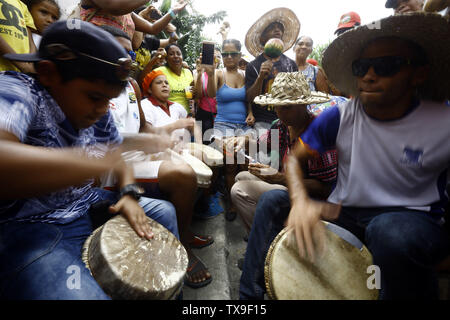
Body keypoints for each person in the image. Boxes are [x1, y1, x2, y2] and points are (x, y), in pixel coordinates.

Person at [242, 13, 450, 300]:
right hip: (347, 214)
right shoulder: (340, 116)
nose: (369, 75)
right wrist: (301, 200)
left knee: (389, 232)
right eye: (362, 67)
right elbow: (295, 160)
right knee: (272, 200)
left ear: (419, 73)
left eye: (386, 65)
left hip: (411, 222)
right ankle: (249, 299)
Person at [0, 20, 179, 299]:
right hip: (29, 229)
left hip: (85, 205)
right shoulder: (17, 90)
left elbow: (117, 153)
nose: (101, 109)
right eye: (95, 97)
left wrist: (129, 193)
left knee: (164, 212)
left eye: (107, 99)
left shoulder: (98, 107)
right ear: (48, 73)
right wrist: (102, 161)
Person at [100, 26, 213, 289]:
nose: (126, 59)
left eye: (129, 52)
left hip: (135, 157)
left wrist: (159, 143)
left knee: (188, 161)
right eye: (118, 52)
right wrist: (153, 141)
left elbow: (141, 128)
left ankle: (184, 231)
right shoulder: (96, 87)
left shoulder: (130, 86)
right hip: (112, 167)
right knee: (183, 174)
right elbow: (106, 141)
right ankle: (183, 244)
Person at [230, 72, 337, 236]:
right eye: (277, 106)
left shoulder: (317, 131)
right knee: (241, 176)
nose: (280, 112)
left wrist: (280, 178)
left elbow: (325, 189)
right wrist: (244, 140)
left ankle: (268, 240)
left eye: (286, 107)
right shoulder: (282, 126)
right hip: (287, 185)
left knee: (239, 190)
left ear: (304, 105)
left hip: (308, 198)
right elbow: (261, 144)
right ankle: (264, 236)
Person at [201, 39, 254, 221]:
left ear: (240, 55)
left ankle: (245, 199)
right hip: (224, 126)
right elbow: (210, 94)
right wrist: (208, 73)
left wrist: (251, 113)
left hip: (245, 126)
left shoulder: (246, 74)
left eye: (233, 53)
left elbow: (249, 99)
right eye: (225, 54)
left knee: (245, 166)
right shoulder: (218, 73)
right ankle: (232, 203)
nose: (229, 57)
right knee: (231, 167)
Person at [244, 8, 299, 132]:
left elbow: (297, 95)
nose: (277, 30)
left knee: (287, 152)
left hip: (287, 121)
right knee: (269, 150)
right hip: (263, 122)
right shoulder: (253, 65)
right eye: (272, 27)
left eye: (280, 27)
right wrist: (260, 78)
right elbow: (250, 98)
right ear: (262, 38)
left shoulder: (291, 64)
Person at [79, 0, 187, 41]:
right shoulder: (115, 6)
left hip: (118, 65)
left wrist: (173, 11)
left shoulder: (128, 13)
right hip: (93, 57)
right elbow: (114, 7)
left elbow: (153, 28)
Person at [153, 43, 194, 114]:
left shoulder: (188, 72)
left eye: (179, 54)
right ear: (166, 58)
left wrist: (194, 93)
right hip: (166, 116)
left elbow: (193, 96)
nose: (176, 56)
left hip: (185, 116)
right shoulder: (160, 71)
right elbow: (143, 83)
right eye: (171, 54)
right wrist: (155, 59)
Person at [0, 0, 37, 73]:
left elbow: (30, 42)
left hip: (21, 75)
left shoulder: (23, 6)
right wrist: (22, 66)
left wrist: (30, 65)